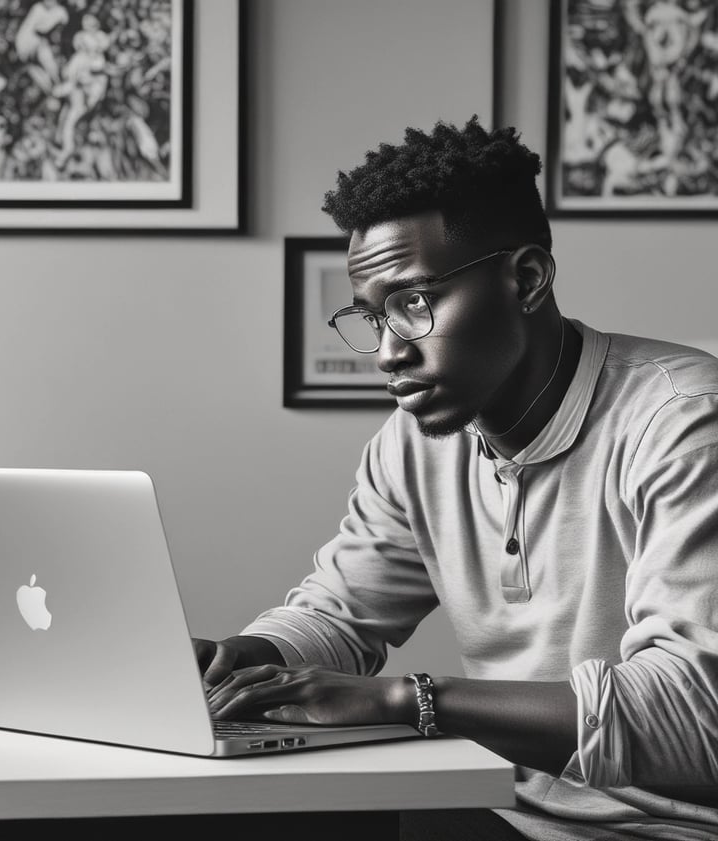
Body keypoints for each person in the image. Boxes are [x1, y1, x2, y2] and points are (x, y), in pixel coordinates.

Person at [192, 117, 718, 840]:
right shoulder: (415, 444)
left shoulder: (685, 423)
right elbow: (339, 615)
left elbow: (693, 713)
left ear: (526, 279)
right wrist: (238, 660)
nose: (385, 353)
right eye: (370, 317)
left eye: (413, 303)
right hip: (508, 813)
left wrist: (408, 699)